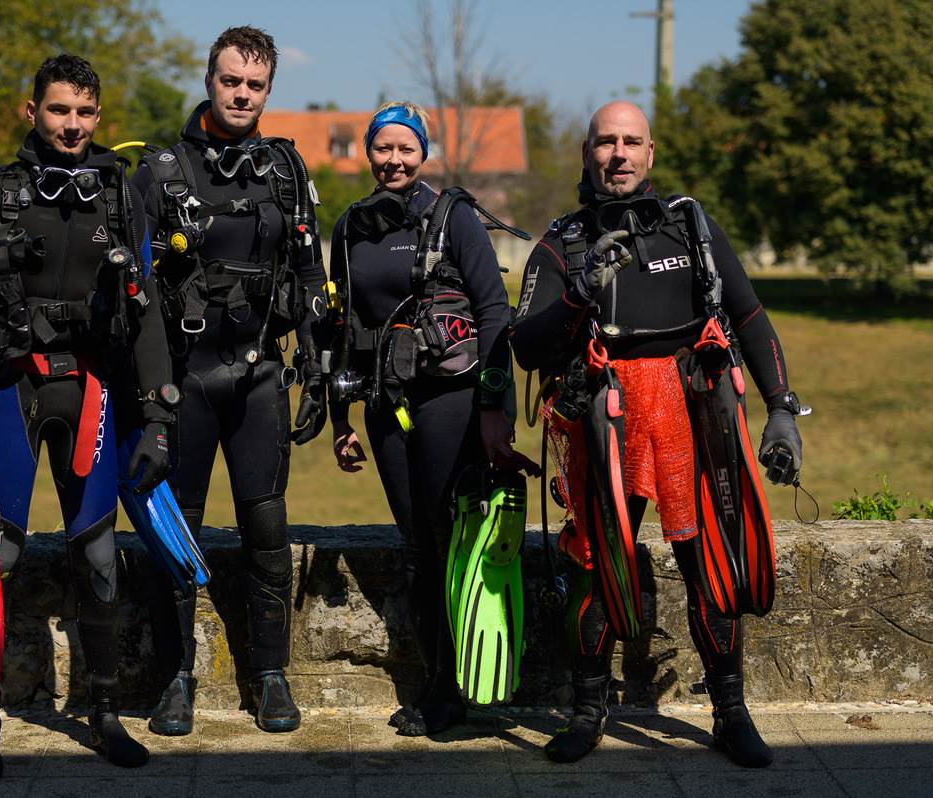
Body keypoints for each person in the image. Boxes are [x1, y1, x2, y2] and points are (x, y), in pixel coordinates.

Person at [509, 101, 804, 768]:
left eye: (630, 141)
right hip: (603, 422)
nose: (618, 153)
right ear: (587, 152)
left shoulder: (688, 226)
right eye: (605, 141)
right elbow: (524, 345)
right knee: (593, 566)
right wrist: (579, 294)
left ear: (651, 154)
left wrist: (782, 406)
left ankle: (730, 711)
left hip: (689, 416)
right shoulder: (564, 241)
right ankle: (587, 710)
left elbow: (751, 317)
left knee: (711, 568)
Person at [0, 54, 175, 780]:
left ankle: (101, 713)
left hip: (90, 390)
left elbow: (150, 310)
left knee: (98, 556)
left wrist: (160, 413)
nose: (72, 125)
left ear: (101, 118)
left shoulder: (121, 198)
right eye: (60, 109)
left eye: (86, 112)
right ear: (29, 110)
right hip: (8, 390)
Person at [129, 26, 327, 736]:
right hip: (184, 382)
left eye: (255, 85)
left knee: (266, 526)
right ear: (209, 80)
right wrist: (150, 393)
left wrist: (319, 369)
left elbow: (309, 273)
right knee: (174, 534)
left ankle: (270, 674)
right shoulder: (159, 171)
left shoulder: (285, 171)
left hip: (259, 376)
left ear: (268, 89)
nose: (241, 95)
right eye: (230, 81)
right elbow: (135, 293)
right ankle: (175, 677)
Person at [326, 102, 535, 736]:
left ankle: (457, 686)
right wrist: (341, 418)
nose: (393, 160)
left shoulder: (454, 218)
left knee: (452, 541)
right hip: (387, 403)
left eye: (405, 149)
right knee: (416, 547)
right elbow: (342, 327)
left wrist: (496, 410)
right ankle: (433, 678)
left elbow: (496, 314)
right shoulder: (351, 226)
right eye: (382, 149)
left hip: (452, 399)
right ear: (368, 152)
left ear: (424, 154)